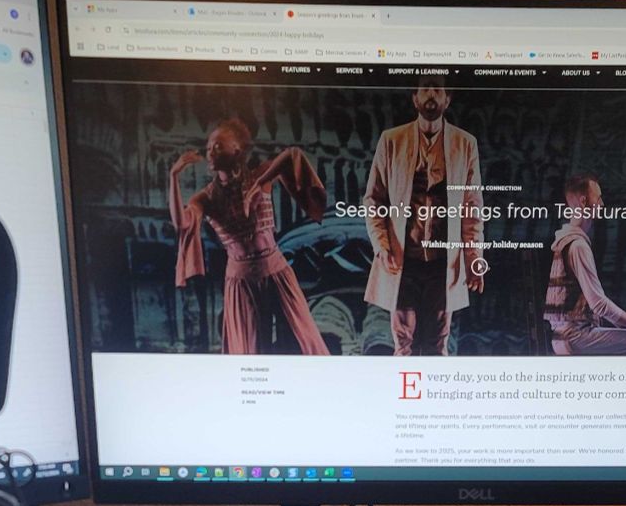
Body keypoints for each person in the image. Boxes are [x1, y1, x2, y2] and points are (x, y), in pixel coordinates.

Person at [169, 119, 330, 356]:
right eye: (209, 148)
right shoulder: (206, 198)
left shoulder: (258, 175)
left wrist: (260, 184)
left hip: (277, 271)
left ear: (237, 150)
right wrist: (173, 177)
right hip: (241, 281)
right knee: (251, 351)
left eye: (218, 146)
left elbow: (291, 155)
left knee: (304, 341)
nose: (211, 152)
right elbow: (182, 223)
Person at [363, 82, 485, 356]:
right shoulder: (392, 140)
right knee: (404, 345)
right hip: (404, 260)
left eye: (438, 90)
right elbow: (373, 199)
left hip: (443, 264)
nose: (431, 95)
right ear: (415, 98)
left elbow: (472, 207)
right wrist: (381, 245)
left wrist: (474, 256)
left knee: (438, 346)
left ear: (447, 98)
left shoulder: (465, 144)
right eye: (425, 89)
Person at [544, 174, 626, 355]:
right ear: (584, 201)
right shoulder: (578, 245)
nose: (601, 204)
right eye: (598, 198)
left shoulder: (565, 241)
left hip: (563, 335)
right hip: (576, 336)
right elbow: (599, 304)